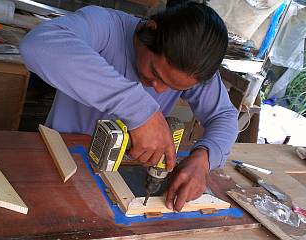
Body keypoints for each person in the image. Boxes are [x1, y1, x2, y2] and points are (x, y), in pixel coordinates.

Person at [20, 1, 238, 212]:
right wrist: (141, 110)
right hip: (61, 159)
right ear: (150, 30)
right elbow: (38, 45)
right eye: (155, 73)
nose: (160, 90)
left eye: (172, 87)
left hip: (120, 173)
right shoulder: (105, 25)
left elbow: (224, 115)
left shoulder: (192, 67)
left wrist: (204, 158)